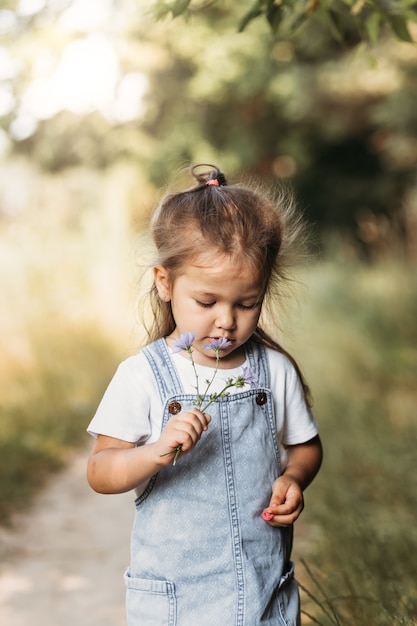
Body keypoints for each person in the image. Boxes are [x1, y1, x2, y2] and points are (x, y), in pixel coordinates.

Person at [87, 163, 322, 626]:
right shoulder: (143, 377)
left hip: (263, 596)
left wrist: (294, 478)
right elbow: (100, 470)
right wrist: (155, 452)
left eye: (247, 304)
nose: (227, 321)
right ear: (165, 283)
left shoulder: (273, 371)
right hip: (177, 604)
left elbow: (306, 448)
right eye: (207, 302)